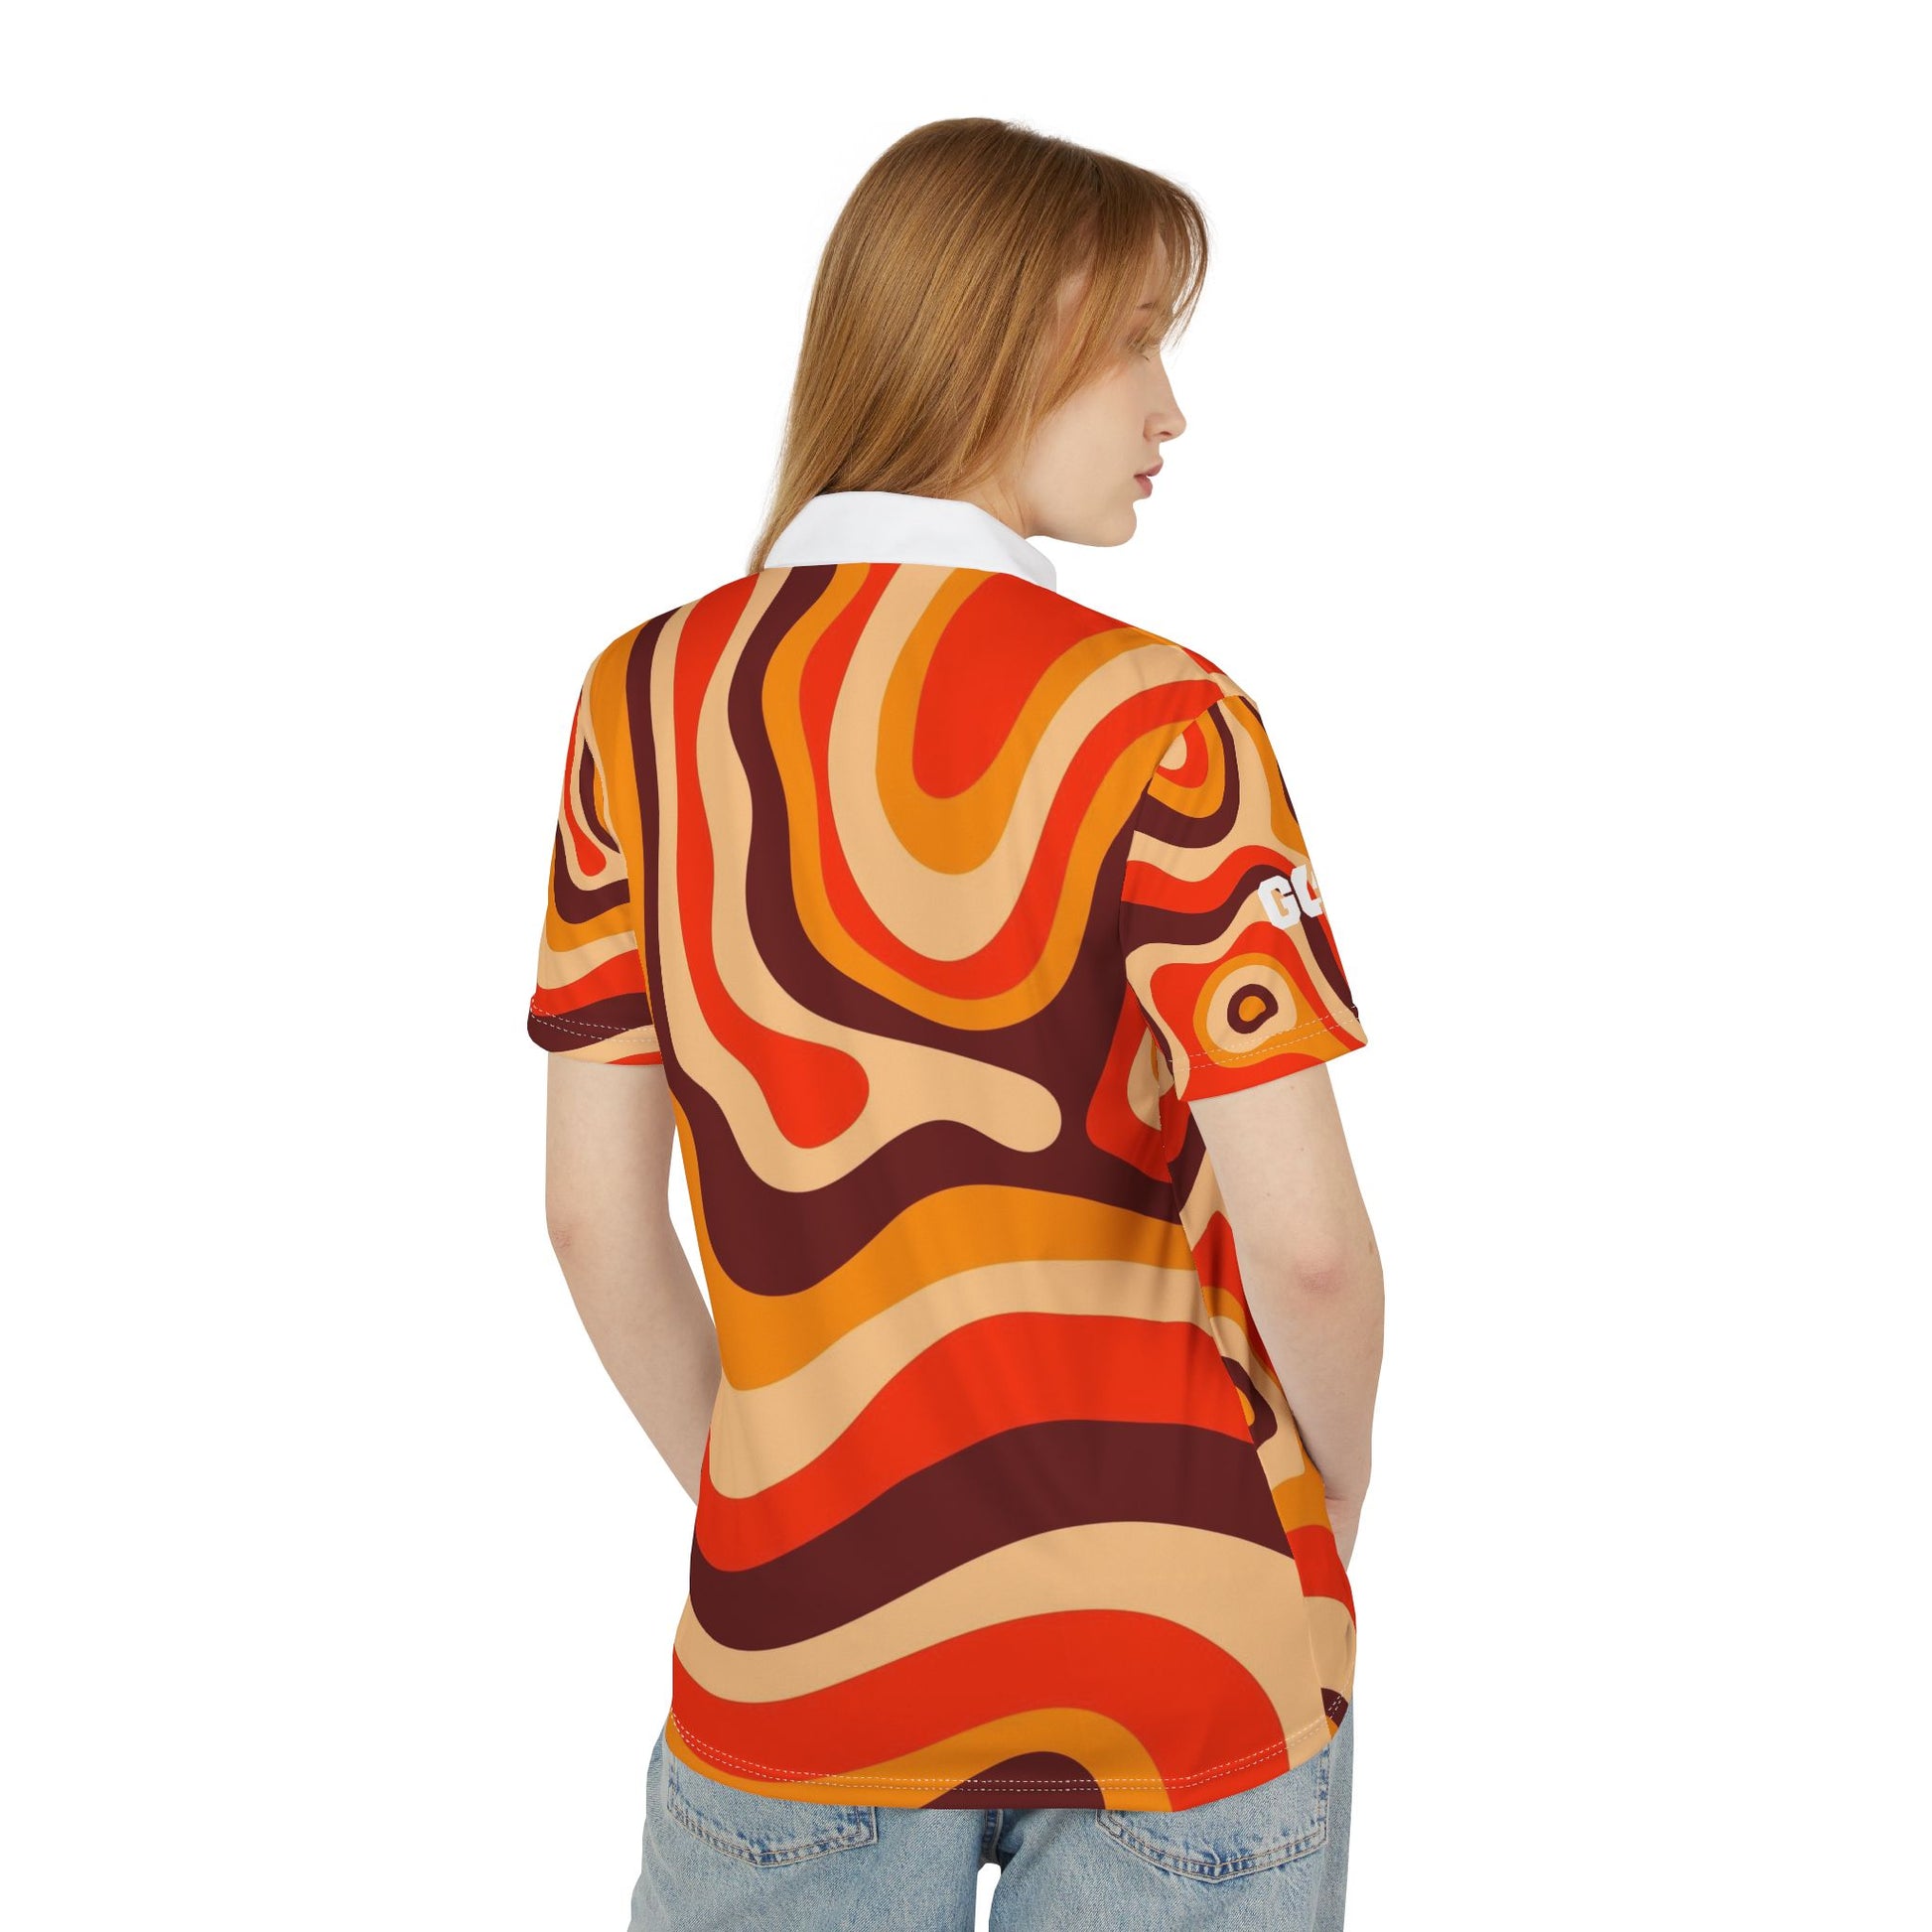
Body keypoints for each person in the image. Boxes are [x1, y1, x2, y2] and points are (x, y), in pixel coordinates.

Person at [526, 116, 1383, 1932]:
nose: (1170, 409)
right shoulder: (1159, 721)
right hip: (1183, 1648)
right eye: (1138, 339)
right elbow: (1307, 1249)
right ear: (1017, 330)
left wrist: (785, 1516)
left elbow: (597, 1217)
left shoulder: (643, 701)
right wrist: (1317, 1540)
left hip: (801, 1657)